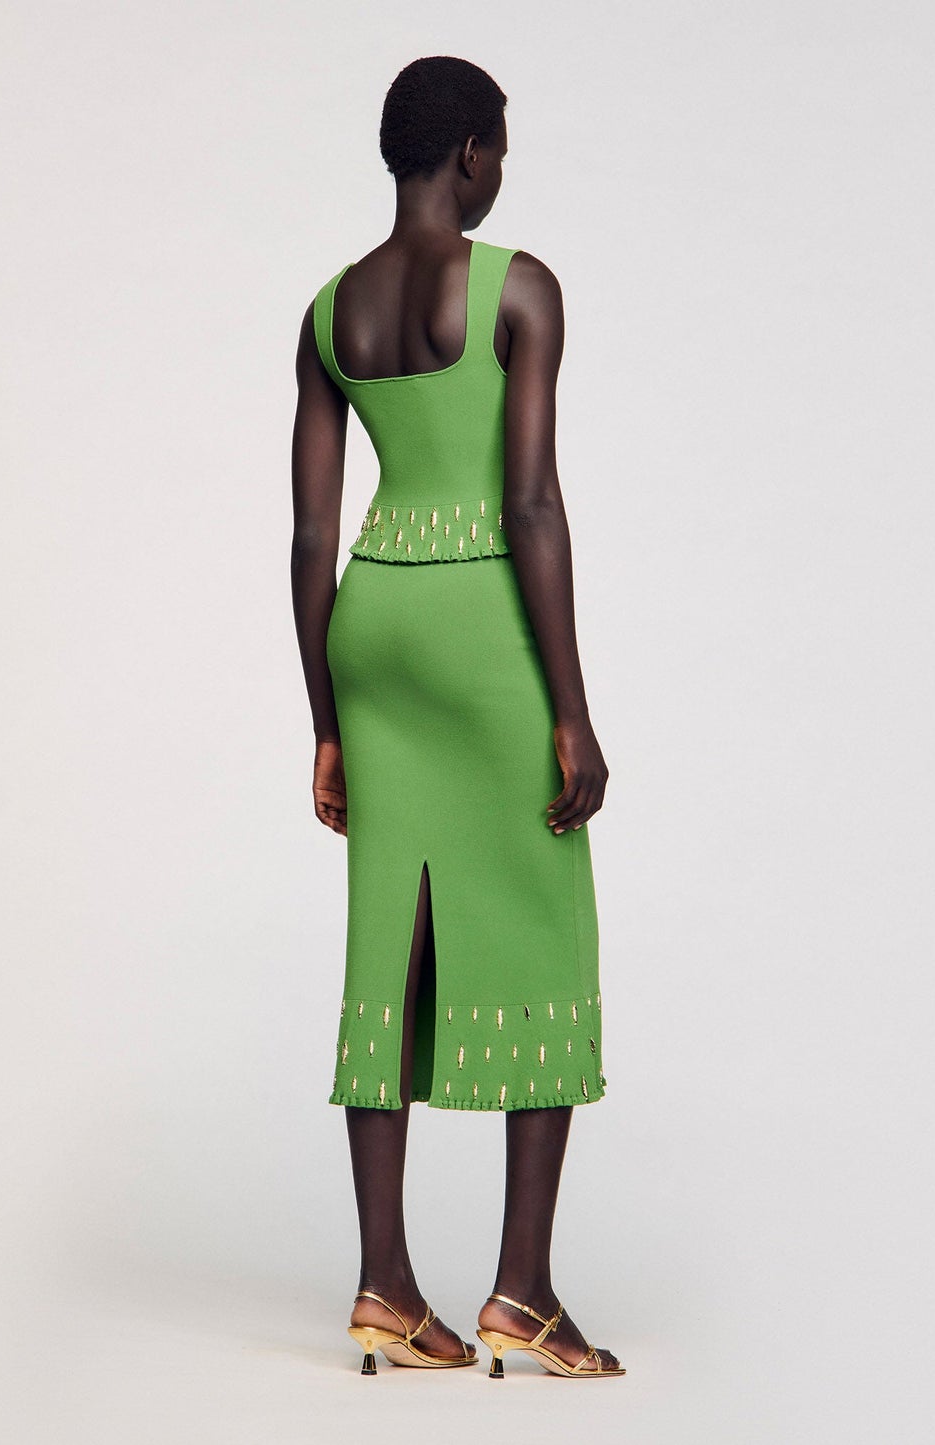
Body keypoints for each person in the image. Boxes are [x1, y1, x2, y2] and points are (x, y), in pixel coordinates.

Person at [290, 56, 624, 1380]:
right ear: (472, 152)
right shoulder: (516, 288)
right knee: (541, 916)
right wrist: (572, 713)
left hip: (373, 619)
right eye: (501, 152)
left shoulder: (329, 312)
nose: (500, 176)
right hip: (481, 616)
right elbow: (531, 502)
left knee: (389, 936)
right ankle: (521, 1289)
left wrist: (325, 721)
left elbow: (308, 535)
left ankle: (384, 1283)